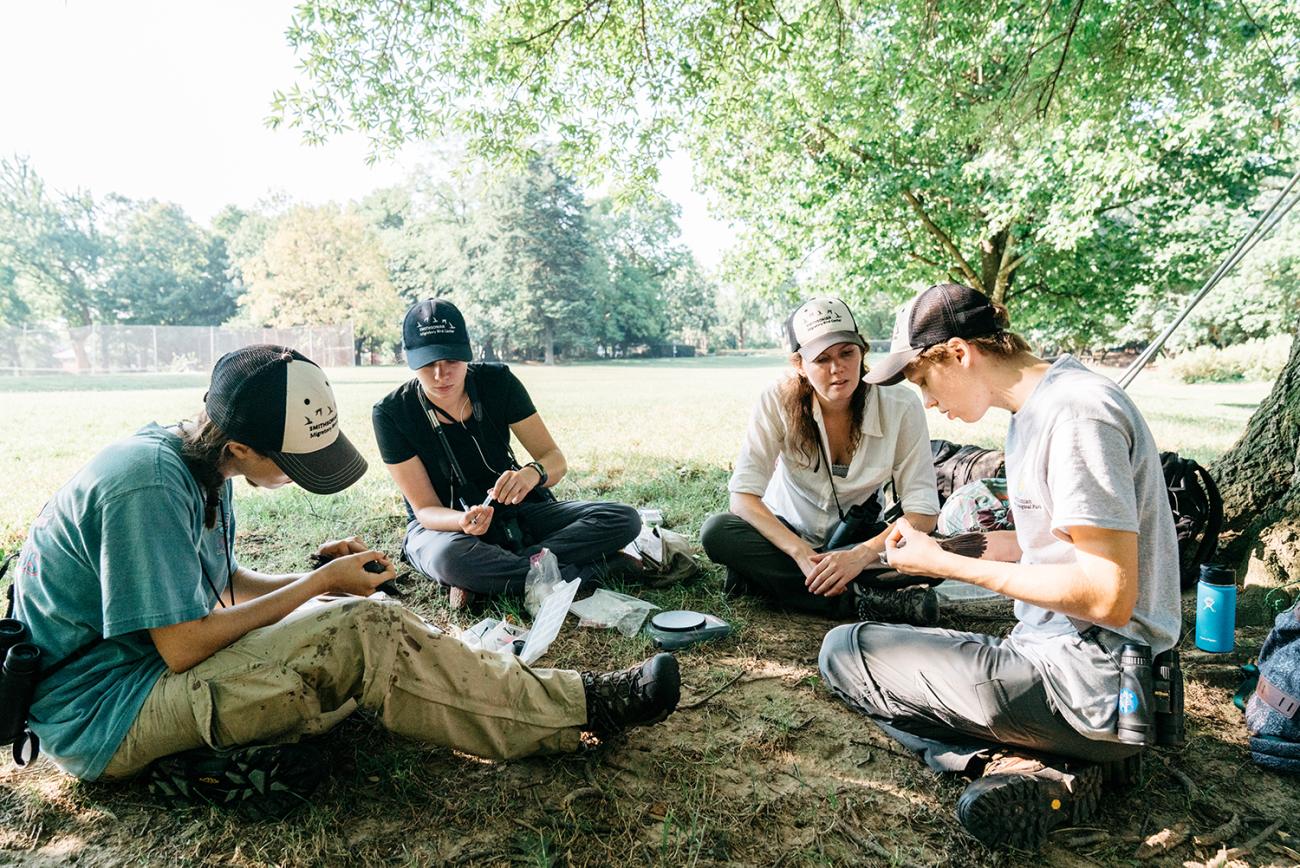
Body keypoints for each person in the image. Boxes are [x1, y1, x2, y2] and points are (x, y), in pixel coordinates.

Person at [7, 345, 679, 799]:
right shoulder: (147, 486)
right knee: (362, 632)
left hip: (144, 673)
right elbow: (182, 645)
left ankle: (229, 753)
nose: (298, 479)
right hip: (109, 712)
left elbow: (223, 583)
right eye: (294, 463)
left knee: (356, 619)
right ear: (240, 444)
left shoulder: (196, 461)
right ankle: (582, 706)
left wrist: (328, 581)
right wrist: (320, 589)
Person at [818, 283, 1180, 850]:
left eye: (921, 380)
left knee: (845, 652)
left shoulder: (1077, 415)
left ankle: (1033, 767)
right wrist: (950, 550)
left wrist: (949, 565)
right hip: (1083, 677)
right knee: (880, 654)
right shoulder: (1037, 410)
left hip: (1092, 682)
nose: (928, 403)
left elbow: (1107, 595)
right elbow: (1049, 545)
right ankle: (1058, 766)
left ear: (960, 353)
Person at [373, 299, 643, 609]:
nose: (440, 374)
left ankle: (494, 579)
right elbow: (424, 510)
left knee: (622, 518)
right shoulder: (392, 412)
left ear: (467, 352)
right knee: (451, 559)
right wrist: (462, 521)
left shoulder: (497, 381)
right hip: (445, 528)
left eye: (451, 360)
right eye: (427, 363)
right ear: (409, 359)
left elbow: (554, 458)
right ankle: (588, 571)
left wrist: (532, 474)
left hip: (517, 511)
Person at [700, 297, 942, 625]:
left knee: (936, 554)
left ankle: (772, 583)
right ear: (799, 364)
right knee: (718, 532)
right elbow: (742, 498)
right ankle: (861, 602)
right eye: (821, 359)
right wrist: (799, 552)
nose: (837, 368)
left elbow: (923, 512)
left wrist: (860, 555)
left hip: (859, 540)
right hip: (786, 536)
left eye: (847, 353)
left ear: (863, 352)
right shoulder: (775, 399)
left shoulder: (900, 406)